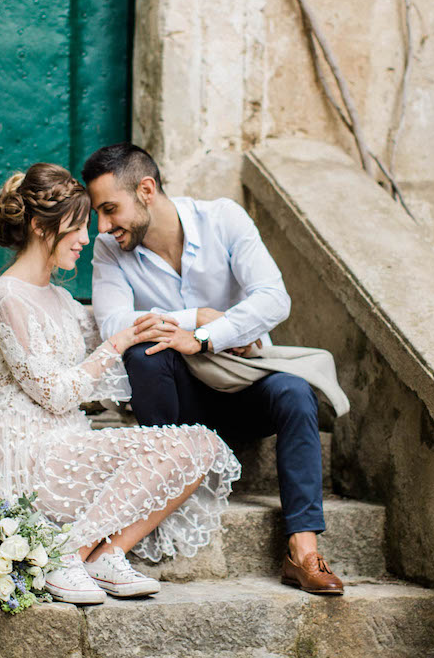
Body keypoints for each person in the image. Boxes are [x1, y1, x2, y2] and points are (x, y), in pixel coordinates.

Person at [0, 162, 240, 605]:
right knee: (183, 447)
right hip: (25, 451)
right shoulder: (5, 297)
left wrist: (183, 330)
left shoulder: (61, 299)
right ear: (44, 228)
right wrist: (114, 344)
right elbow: (57, 392)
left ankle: (105, 555)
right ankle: (68, 556)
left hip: (69, 442)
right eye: (78, 227)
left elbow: (110, 363)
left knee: (199, 446)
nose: (87, 239)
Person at [83, 143, 345, 596]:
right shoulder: (110, 249)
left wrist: (208, 336)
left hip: (240, 384)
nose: (103, 227)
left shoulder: (223, 218)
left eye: (109, 210)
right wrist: (196, 317)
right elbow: (112, 324)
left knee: (295, 393)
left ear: (146, 190)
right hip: (178, 400)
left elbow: (272, 298)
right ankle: (165, 487)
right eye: (99, 215)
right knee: (145, 353)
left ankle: (303, 551)